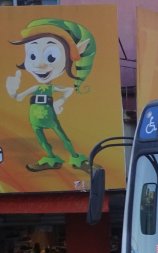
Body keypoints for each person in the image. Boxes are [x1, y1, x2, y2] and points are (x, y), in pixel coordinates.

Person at [5, 18, 96, 172]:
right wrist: (12, 90)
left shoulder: (52, 88)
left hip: (50, 117)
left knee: (63, 137)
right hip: (34, 119)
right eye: (32, 56)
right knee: (41, 139)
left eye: (51, 56)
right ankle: (51, 157)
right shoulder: (35, 88)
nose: (39, 64)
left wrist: (59, 102)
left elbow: (67, 90)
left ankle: (75, 157)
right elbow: (19, 97)